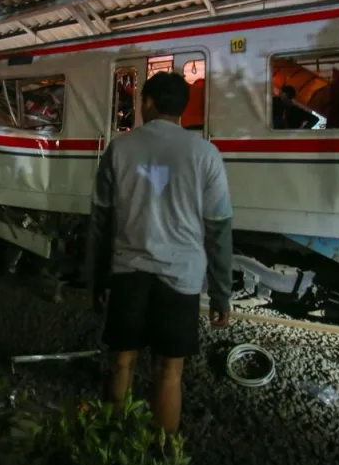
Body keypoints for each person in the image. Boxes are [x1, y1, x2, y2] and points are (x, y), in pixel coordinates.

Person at [86, 71, 234, 435]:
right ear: (182, 108)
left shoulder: (119, 148)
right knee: (170, 371)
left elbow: (100, 220)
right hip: (181, 275)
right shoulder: (206, 154)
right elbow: (218, 229)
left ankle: (111, 442)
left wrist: (96, 277)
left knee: (122, 361)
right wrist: (221, 292)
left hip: (128, 269)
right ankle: (163, 459)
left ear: (148, 102)